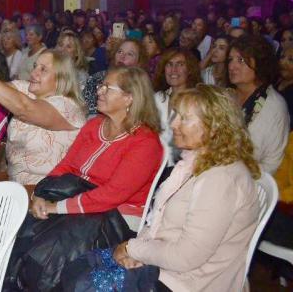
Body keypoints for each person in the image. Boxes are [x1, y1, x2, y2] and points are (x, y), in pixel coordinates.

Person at [110, 85, 261, 291]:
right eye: (175, 116)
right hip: (165, 268)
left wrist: (131, 248)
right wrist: (135, 254)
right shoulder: (193, 163)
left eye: (185, 118)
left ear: (214, 127)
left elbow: (186, 257)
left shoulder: (221, 179)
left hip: (191, 283)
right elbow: (159, 221)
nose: (173, 124)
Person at [32, 66, 163, 231]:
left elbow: (112, 195)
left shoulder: (146, 143)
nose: (99, 91)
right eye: (101, 86)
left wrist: (57, 208)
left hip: (117, 217)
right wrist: (41, 193)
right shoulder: (94, 125)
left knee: (45, 236)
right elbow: (66, 165)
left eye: (107, 88)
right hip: (76, 204)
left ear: (129, 98)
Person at [0, 49, 86, 186]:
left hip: (47, 191)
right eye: (35, 66)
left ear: (61, 78)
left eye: (43, 70)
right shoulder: (27, 89)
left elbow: (24, 108)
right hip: (15, 184)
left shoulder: (67, 107)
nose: (34, 73)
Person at [228, 35, 289, 173]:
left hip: (251, 180)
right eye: (230, 60)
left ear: (261, 63)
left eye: (241, 60)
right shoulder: (227, 96)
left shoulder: (274, 106)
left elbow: (272, 164)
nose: (232, 66)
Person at [153, 49, 201, 166]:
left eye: (180, 64)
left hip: (184, 165)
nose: (173, 69)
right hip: (154, 162)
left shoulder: (197, 102)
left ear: (189, 70)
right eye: (169, 64)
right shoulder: (157, 98)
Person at [82, 38, 147, 115]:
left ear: (139, 62)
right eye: (120, 51)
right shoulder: (96, 79)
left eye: (130, 54)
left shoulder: (141, 88)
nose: (122, 56)